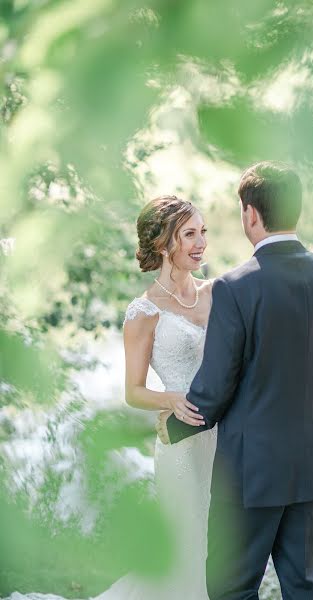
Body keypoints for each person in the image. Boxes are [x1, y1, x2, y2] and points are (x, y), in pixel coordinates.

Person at [157, 161, 313, 600]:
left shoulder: (235, 287)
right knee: (304, 588)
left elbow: (214, 386)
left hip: (250, 472)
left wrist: (173, 430)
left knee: (231, 588)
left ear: (250, 213)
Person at [6, 195, 216, 600]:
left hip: (223, 439)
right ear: (162, 244)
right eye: (189, 234)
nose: (201, 242)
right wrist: (171, 399)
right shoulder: (143, 312)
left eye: (203, 232)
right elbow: (133, 392)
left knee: (215, 548)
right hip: (180, 445)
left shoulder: (216, 294)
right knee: (187, 551)